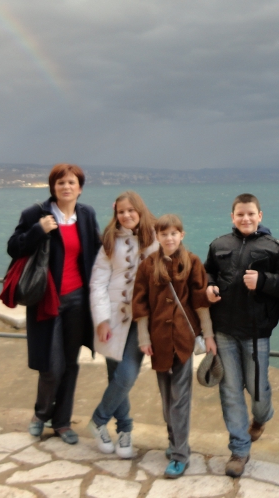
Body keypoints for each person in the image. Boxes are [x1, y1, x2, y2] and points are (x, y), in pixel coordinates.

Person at [7, 163, 101, 444]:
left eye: (71, 182)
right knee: (51, 365)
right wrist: (38, 230)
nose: (66, 187)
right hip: (47, 300)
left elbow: (97, 251)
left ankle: (62, 422)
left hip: (78, 300)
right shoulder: (35, 214)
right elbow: (13, 247)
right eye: (61, 182)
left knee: (70, 364)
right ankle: (40, 414)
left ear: (80, 188)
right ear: (53, 187)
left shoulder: (87, 215)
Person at [204, 194, 279, 478]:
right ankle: (239, 450)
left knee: (258, 391)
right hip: (224, 330)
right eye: (240, 214)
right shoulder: (218, 245)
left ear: (260, 216)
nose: (245, 218)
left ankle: (262, 417)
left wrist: (263, 281)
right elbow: (207, 273)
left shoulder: (275, 247)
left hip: (257, 333)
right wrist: (209, 287)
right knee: (230, 391)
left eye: (250, 213)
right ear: (232, 217)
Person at [132, 214, 216, 479]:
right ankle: (174, 441)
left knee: (180, 398)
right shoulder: (148, 265)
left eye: (173, 233)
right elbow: (140, 304)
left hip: (183, 339)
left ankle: (180, 455)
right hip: (158, 340)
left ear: (182, 235)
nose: (169, 238)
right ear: (157, 237)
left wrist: (209, 335)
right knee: (167, 398)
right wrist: (144, 338)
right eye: (164, 234)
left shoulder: (192, 262)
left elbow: (200, 302)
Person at [88, 191, 159, 458]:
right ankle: (125, 430)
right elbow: (98, 283)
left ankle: (97, 420)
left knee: (127, 375)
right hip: (113, 319)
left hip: (142, 320)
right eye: (121, 211)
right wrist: (101, 320)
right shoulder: (110, 240)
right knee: (115, 377)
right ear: (115, 213)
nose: (126, 215)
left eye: (131, 210)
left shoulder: (155, 238)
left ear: (140, 210)